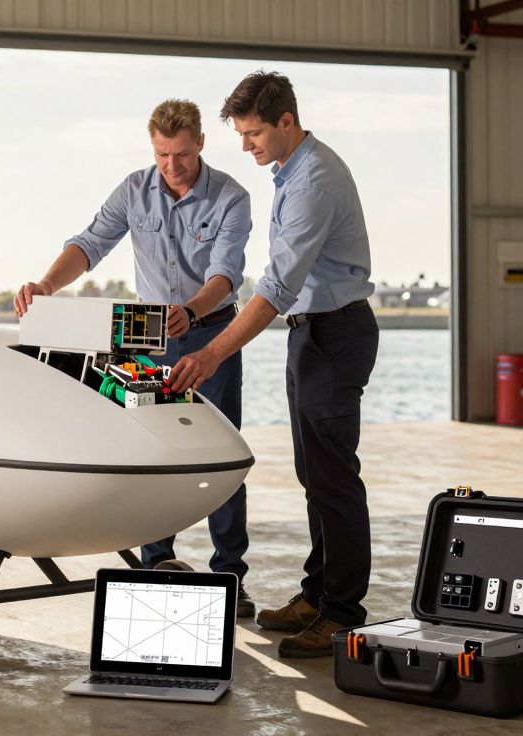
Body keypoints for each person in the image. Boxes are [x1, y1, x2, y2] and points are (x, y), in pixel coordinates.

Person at [13, 98, 256, 616]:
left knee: (219, 452)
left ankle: (230, 575)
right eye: (164, 155)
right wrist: (48, 285)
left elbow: (226, 274)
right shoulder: (133, 190)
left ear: (201, 145)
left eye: (183, 154)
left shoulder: (231, 198)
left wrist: (190, 312)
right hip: (148, 336)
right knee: (153, 451)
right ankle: (156, 565)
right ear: (154, 148)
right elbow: (91, 243)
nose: (173, 166)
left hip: (210, 334)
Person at [171, 72, 377, 658]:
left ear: (287, 121)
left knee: (334, 476)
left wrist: (212, 351)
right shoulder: (290, 171)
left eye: (254, 132)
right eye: (240, 133)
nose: (245, 145)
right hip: (311, 335)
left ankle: (342, 613)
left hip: (337, 334)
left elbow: (278, 287)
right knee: (314, 474)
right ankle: (317, 594)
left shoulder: (314, 181)